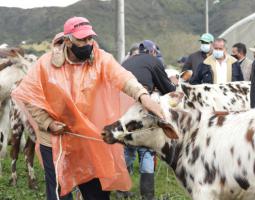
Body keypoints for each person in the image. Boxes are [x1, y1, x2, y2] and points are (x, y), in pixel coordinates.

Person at [11, 16, 164, 200]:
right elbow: (30, 98)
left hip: (87, 139)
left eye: (90, 38)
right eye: (81, 39)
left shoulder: (101, 60)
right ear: (68, 41)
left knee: (96, 193)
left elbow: (123, 78)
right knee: (59, 193)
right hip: (55, 140)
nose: (87, 43)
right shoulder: (45, 65)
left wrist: (143, 96)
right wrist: (49, 123)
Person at [121, 40, 176, 200]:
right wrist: (173, 86)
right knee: (146, 150)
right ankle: (148, 195)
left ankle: (121, 191)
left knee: (127, 148)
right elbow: (168, 89)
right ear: (152, 52)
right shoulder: (154, 61)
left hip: (122, 107)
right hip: (140, 106)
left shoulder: (127, 61)